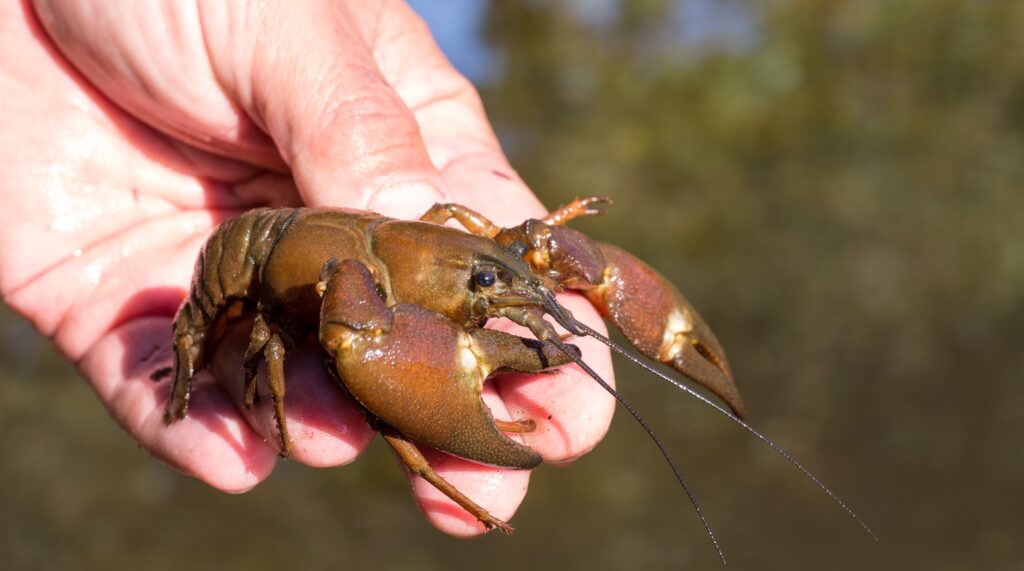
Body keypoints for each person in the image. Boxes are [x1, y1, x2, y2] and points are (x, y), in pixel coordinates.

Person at [0, 0, 614, 536]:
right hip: (234, 264)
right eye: (484, 278)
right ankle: (187, 371)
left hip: (297, 236)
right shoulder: (355, 296)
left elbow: (462, 227)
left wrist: (512, 262)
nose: (490, 282)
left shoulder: (441, 241)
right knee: (354, 380)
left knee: (493, 267)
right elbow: (334, 329)